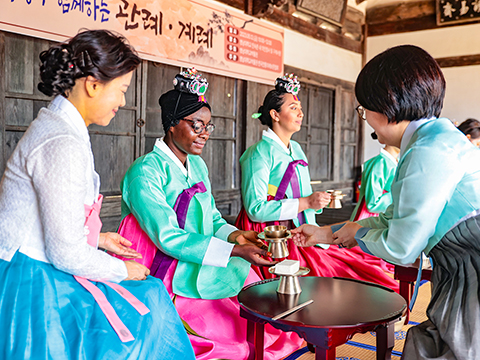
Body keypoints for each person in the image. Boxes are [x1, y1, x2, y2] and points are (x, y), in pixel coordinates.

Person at [292, 45, 480, 359]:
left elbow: (402, 247)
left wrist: (356, 234)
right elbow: (394, 215)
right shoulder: (434, 137)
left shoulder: (424, 152)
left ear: (386, 106)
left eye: (364, 110)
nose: (367, 121)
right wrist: (329, 233)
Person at [0, 30, 194, 359]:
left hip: (39, 267)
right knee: (147, 305)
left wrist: (101, 239)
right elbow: (65, 253)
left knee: (148, 296)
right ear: (92, 85)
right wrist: (121, 270)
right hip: (35, 281)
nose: (122, 102)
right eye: (120, 90)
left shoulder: (61, 128)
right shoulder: (61, 142)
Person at [116, 68, 302, 360]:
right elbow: (167, 237)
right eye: (196, 125)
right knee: (235, 344)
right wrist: (233, 251)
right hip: (164, 268)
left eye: (208, 127)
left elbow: (213, 218)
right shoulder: (145, 172)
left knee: (257, 295)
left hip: (202, 254)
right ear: (172, 124)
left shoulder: (197, 166)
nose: (204, 134)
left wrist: (237, 235)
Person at [236, 74, 398, 292]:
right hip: (274, 234)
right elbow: (255, 210)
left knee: (358, 271)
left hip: (299, 228)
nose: (300, 113)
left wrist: (317, 201)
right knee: (330, 280)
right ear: (275, 114)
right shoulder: (258, 154)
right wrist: (306, 202)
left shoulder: (297, 149)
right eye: (293, 107)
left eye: (299, 108)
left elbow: (303, 197)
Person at [350, 134, 400, 221]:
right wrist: (399, 194)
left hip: (385, 216)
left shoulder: (394, 162)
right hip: (370, 218)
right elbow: (373, 204)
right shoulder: (380, 163)